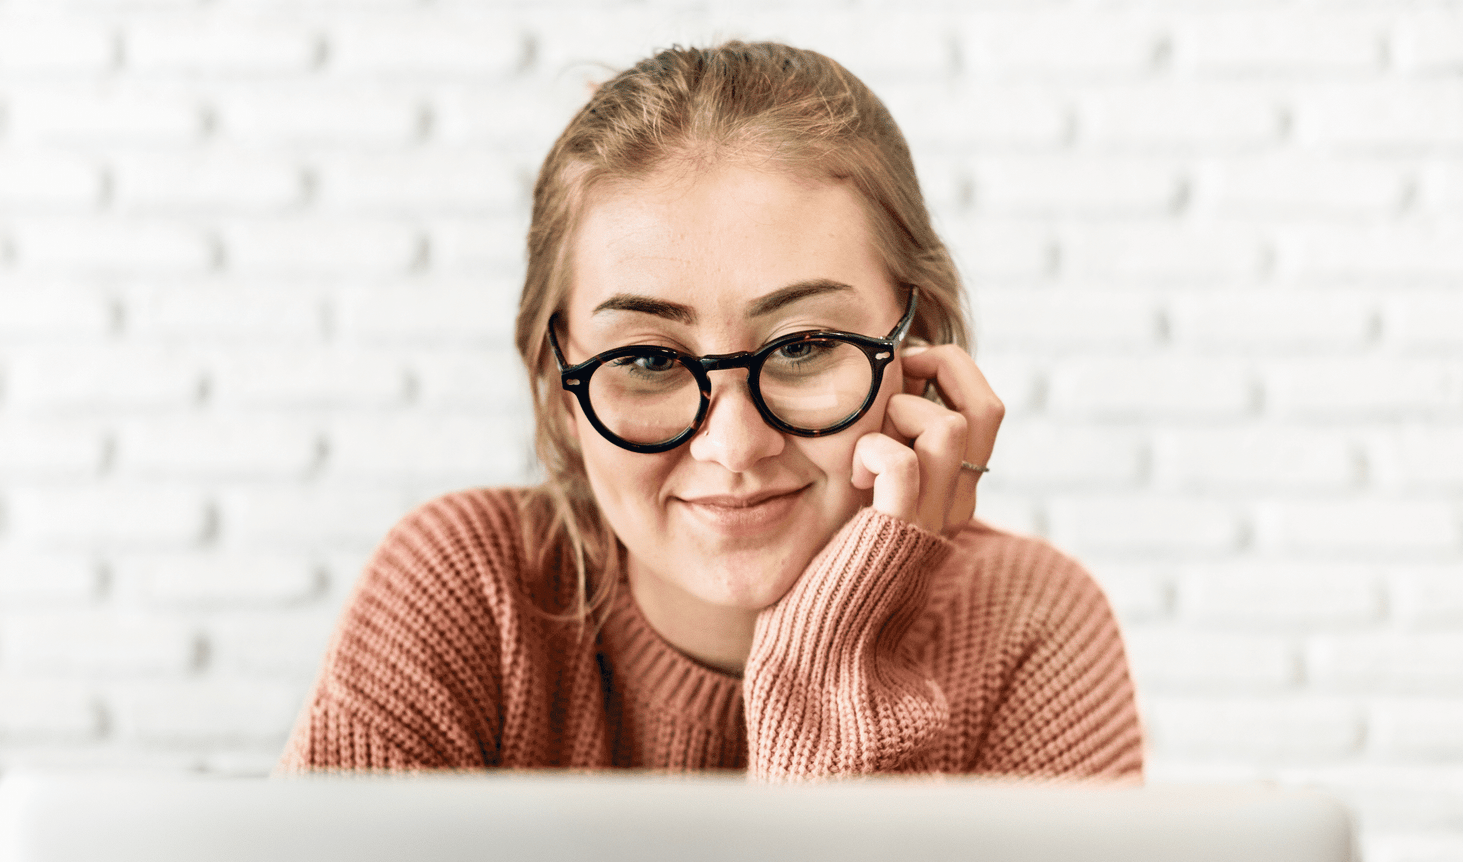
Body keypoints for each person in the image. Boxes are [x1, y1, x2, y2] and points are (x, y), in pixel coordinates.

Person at [278, 41, 1139, 780]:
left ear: (921, 350)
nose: (733, 444)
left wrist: (835, 649)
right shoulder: (467, 587)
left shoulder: (1031, 624)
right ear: (558, 377)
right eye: (647, 360)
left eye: (802, 346)